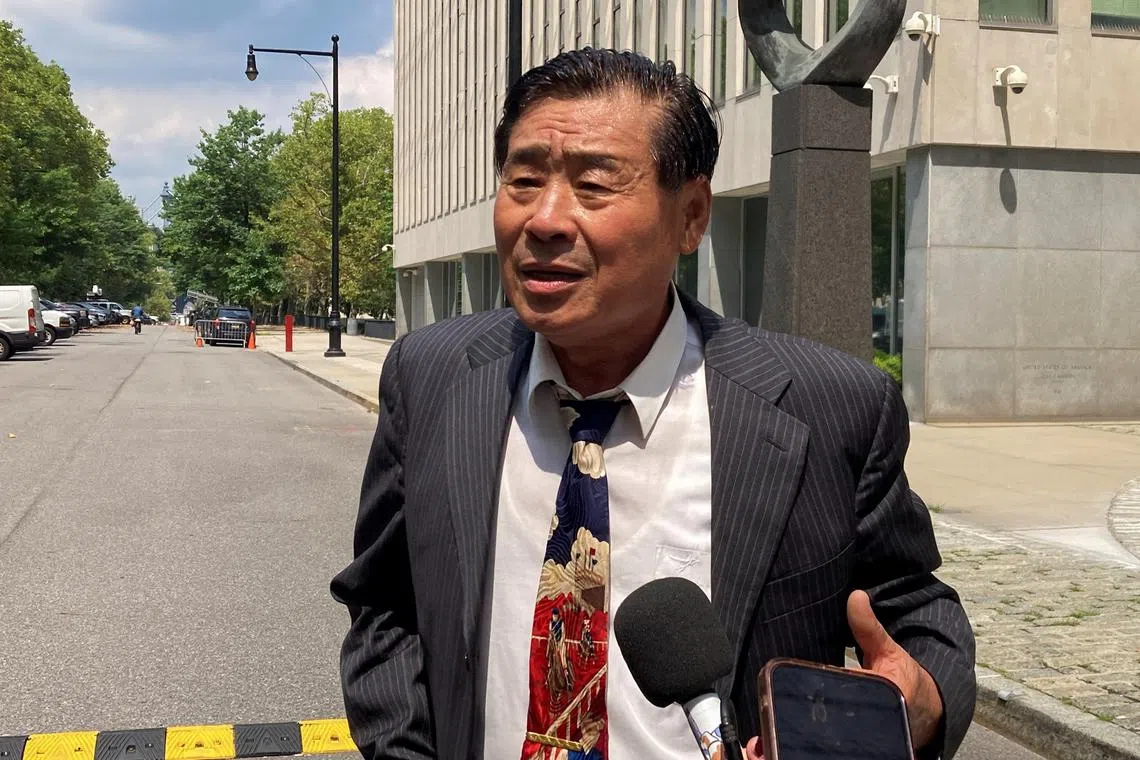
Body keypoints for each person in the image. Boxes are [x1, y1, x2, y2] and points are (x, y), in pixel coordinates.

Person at [331, 49, 975, 760]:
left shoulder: (831, 408)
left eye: (594, 185)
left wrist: (924, 704)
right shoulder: (431, 377)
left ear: (691, 216)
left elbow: (914, 609)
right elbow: (387, 603)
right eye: (523, 179)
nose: (545, 218)